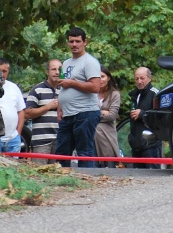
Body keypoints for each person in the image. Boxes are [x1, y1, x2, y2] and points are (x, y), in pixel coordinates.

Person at [56, 28, 101, 168]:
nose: (74, 44)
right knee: (62, 152)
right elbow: (63, 85)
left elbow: (95, 87)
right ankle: (62, 180)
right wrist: (59, 107)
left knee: (84, 151)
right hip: (68, 113)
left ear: (85, 42)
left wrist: (73, 83)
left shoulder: (90, 62)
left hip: (85, 112)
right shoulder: (66, 63)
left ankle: (87, 181)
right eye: (71, 41)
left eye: (78, 41)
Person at [25, 59, 62, 163]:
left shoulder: (65, 90)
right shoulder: (37, 89)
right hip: (41, 142)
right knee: (39, 175)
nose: (57, 72)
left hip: (60, 141)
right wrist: (47, 107)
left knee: (58, 175)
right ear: (47, 72)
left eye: (59, 69)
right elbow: (27, 113)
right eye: (53, 69)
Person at [129, 67, 161, 168]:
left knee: (153, 176)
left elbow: (161, 116)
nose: (139, 81)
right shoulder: (134, 95)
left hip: (151, 144)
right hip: (136, 145)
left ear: (149, 78)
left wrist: (143, 114)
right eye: (137, 79)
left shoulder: (155, 94)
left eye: (142, 78)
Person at [0, 58, 26, 154]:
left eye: (4, 71)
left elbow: (21, 111)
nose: (2, 74)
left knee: (14, 167)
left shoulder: (14, 87)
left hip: (13, 138)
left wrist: (18, 133)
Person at [94, 67, 121, 168]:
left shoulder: (115, 94)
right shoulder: (91, 94)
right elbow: (86, 114)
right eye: (97, 77)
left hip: (108, 136)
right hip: (92, 137)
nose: (100, 80)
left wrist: (95, 114)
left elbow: (111, 116)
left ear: (108, 78)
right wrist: (102, 112)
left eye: (102, 76)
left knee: (109, 166)